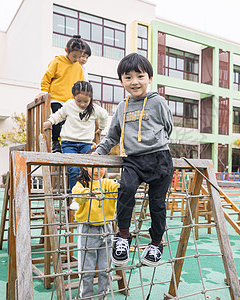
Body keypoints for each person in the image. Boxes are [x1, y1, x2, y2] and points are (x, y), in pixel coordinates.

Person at [93, 53, 173, 267]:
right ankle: (123, 236)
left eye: (140, 76)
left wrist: (155, 141)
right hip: (133, 160)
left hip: (159, 159)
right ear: (121, 81)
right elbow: (112, 135)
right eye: (128, 77)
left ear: (150, 78)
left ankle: (156, 243)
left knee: (157, 204)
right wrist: (100, 152)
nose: (134, 81)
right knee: (125, 190)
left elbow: (168, 127)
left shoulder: (158, 102)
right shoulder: (121, 107)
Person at [43, 81, 108, 192]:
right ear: (74, 97)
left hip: (86, 143)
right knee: (73, 169)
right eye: (79, 101)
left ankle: (88, 192)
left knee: (88, 169)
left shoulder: (94, 109)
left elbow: (104, 115)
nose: (82, 104)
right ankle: (76, 195)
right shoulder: (69, 105)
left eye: (86, 101)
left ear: (91, 98)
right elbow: (59, 115)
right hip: (69, 143)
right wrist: (50, 122)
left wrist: (101, 128)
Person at [72, 162, 119, 299]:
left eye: (102, 167)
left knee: (106, 268)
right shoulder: (82, 184)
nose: (98, 170)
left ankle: (103, 295)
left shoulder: (108, 183)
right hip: (88, 229)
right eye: (93, 167)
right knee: (87, 269)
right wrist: (90, 193)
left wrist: (125, 188)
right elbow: (77, 194)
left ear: (106, 168)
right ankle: (85, 295)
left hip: (106, 228)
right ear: (86, 167)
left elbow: (117, 188)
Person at [37, 34, 86, 153]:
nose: (76, 59)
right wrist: (43, 92)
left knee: (69, 123)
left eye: (79, 57)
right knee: (57, 121)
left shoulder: (78, 67)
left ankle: (67, 144)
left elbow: (82, 84)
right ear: (66, 51)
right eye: (74, 56)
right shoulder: (57, 62)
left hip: (70, 101)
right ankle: (56, 143)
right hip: (56, 98)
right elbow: (47, 78)